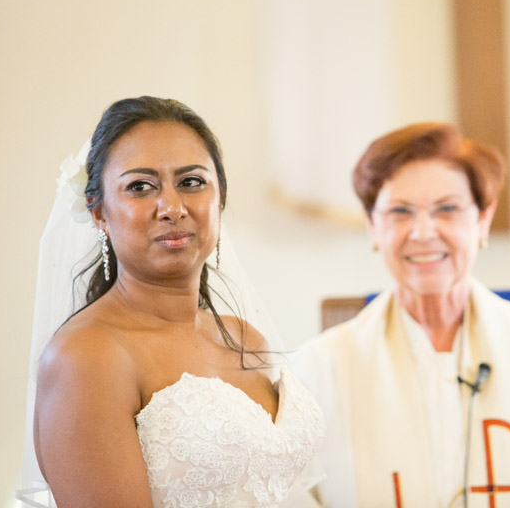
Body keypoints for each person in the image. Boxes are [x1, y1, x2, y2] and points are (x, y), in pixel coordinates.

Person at [291, 123, 510, 508]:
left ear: (482, 219)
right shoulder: (314, 374)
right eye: (400, 211)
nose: (423, 232)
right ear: (372, 226)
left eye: (447, 209)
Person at [22, 97, 323, 507]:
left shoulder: (244, 338)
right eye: (140, 187)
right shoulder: (86, 356)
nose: (172, 208)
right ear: (99, 213)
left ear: (219, 199)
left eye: (191, 182)